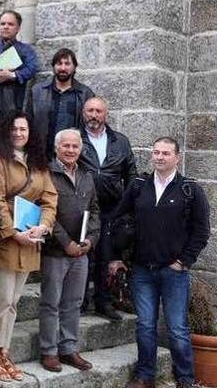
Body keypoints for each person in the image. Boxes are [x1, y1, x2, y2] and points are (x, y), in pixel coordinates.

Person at [109, 137, 210, 388]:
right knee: (144, 325)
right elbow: (118, 220)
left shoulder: (190, 190)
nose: (160, 157)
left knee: (177, 328)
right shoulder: (138, 186)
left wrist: (184, 261)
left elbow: (201, 230)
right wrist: (116, 256)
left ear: (177, 158)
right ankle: (146, 376)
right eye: (156, 152)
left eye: (166, 153)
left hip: (174, 271)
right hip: (142, 269)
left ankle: (185, 378)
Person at [0, 111, 57, 382]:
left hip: (31, 240)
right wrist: (13, 233)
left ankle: (5, 350)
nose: (18, 133)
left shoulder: (38, 162)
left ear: (30, 133)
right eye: (14, 129)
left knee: (14, 301)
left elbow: (50, 197)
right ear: (6, 131)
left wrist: (45, 226)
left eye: (23, 129)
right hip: (6, 239)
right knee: (1, 301)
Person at [38, 129, 99, 373]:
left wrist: (91, 241)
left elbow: (95, 210)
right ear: (57, 148)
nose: (71, 150)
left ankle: (69, 348)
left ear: (80, 149)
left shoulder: (87, 175)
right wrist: (67, 243)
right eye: (66, 146)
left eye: (75, 146)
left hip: (81, 252)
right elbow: (45, 212)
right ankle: (49, 351)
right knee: (51, 303)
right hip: (55, 251)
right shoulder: (47, 174)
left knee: (73, 302)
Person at [78, 97, 136, 321]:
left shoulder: (120, 141)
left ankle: (104, 302)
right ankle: (80, 302)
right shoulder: (76, 138)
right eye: (90, 110)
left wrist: (129, 202)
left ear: (106, 114)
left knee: (106, 255)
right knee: (83, 254)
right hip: (82, 206)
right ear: (84, 113)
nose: (94, 115)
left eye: (98, 111)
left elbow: (130, 172)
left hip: (112, 207)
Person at [26, 48, 94, 155]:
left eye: (67, 64)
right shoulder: (37, 91)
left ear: (74, 67)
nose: (63, 68)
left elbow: (90, 128)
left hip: (72, 156)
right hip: (42, 155)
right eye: (59, 64)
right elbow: (27, 121)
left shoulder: (85, 94)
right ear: (53, 66)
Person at [0, 10, 39, 114]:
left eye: (10, 24)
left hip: (13, 100)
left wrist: (12, 75)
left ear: (18, 28)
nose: (6, 27)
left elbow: (32, 68)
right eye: (3, 24)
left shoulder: (26, 50)